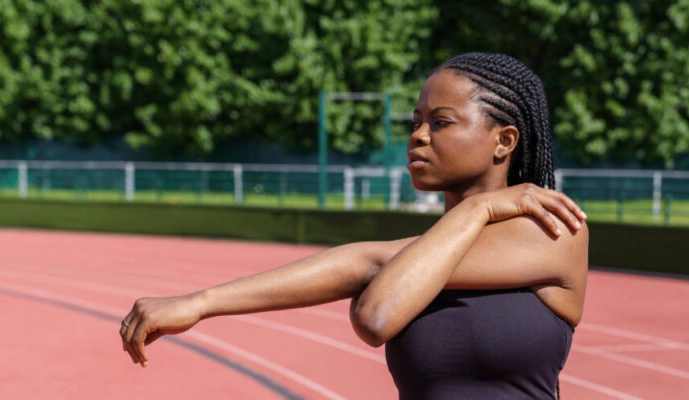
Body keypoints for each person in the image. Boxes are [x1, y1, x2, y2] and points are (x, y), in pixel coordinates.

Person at [119, 53, 589, 399]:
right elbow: (366, 263)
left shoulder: (553, 229)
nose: (418, 135)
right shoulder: (427, 250)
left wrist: (475, 210)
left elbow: (376, 312)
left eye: (441, 122)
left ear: (503, 141)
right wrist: (200, 303)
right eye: (416, 121)